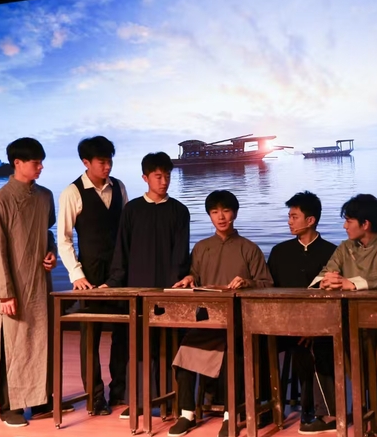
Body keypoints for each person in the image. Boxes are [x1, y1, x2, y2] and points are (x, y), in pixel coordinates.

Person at [167, 190, 273, 437]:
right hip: (208, 322)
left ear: (234, 213)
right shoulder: (202, 248)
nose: (221, 217)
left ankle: (230, 415)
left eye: (225, 211)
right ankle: (187, 414)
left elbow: (267, 284)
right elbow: (195, 275)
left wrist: (247, 282)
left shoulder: (249, 248)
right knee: (183, 353)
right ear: (210, 216)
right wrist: (190, 278)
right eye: (215, 212)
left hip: (239, 324)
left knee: (232, 356)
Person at [302, 194, 377, 434]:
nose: (345, 226)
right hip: (345, 321)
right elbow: (327, 270)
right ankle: (327, 414)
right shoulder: (345, 247)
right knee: (322, 343)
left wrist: (352, 283)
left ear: (365, 223)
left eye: (348, 221)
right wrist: (325, 281)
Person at [0, 137, 72, 427]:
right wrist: (5, 293)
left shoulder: (45, 196)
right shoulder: (1, 200)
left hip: (39, 282)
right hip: (12, 285)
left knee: (39, 341)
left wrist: (51, 252)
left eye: (41, 162)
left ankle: (39, 400)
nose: (41, 167)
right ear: (18, 163)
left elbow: (46, 232)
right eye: (36, 162)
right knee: (11, 343)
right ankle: (7, 406)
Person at [107, 151, 191, 418]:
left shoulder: (179, 210)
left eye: (167, 176)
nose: (163, 181)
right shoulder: (132, 209)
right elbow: (122, 250)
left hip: (169, 290)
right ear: (145, 178)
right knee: (140, 347)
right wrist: (114, 283)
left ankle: (172, 401)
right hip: (138, 288)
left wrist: (175, 286)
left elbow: (181, 253)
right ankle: (140, 401)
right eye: (158, 176)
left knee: (169, 345)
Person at [58, 136, 129, 415]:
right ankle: (95, 397)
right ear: (86, 162)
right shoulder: (72, 192)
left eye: (110, 161)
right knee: (91, 336)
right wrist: (76, 274)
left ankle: (119, 391)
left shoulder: (119, 187)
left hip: (119, 272)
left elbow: (126, 232)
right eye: (102, 162)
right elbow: (64, 239)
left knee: (123, 333)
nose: (107, 166)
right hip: (88, 274)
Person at [266, 191, 337, 428]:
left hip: (317, 327)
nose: (289, 221)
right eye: (289, 216)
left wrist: (313, 327)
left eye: (294, 216)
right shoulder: (279, 251)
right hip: (282, 325)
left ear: (311, 220)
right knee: (256, 345)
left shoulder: (332, 252)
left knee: (312, 347)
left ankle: (316, 411)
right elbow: (270, 289)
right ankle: (265, 405)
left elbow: (332, 299)